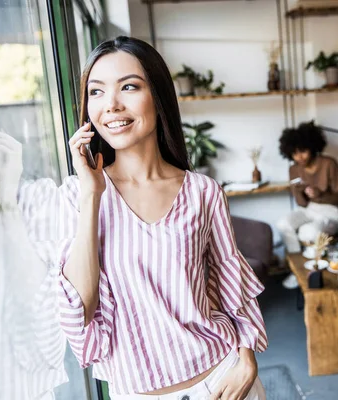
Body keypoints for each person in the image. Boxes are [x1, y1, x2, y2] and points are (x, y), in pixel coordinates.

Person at [45, 36, 268, 399]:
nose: (112, 106)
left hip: (222, 379)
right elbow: (79, 310)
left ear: (158, 96)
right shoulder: (77, 196)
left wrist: (246, 359)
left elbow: (229, 282)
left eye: (129, 87)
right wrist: (92, 194)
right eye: (97, 92)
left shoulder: (203, 191)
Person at [277, 121, 338, 289]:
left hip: (330, 212)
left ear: (313, 147)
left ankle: (313, 272)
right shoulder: (294, 169)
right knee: (283, 224)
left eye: (303, 151)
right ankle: (297, 269)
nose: (299, 157)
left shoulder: (329, 163)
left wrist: (319, 193)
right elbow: (301, 203)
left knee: (309, 232)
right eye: (294, 153)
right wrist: (300, 192)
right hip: (308, 209)